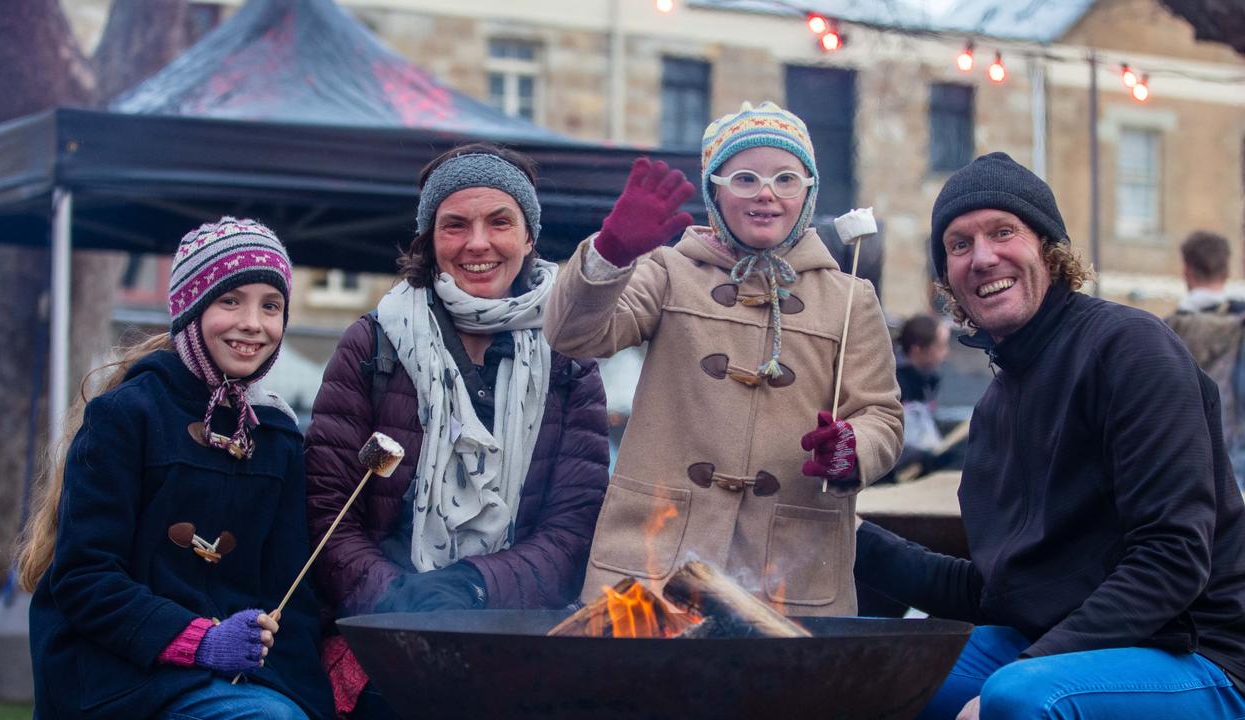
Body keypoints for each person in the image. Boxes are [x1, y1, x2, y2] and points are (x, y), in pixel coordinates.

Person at [854, 152, 1245, 719]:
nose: (982, 257)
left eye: (1003, 232)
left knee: (1020, 698)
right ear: (948, 280)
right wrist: (851, 535)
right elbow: (999, 593)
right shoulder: (994, 408)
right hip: (1054, 642)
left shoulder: (1131, 349)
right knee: (875, 675)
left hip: (1192, 651)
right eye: (959, 245)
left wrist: (1009, 682)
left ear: (1049, 249)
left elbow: (1172, 561)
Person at [545, 101, 903, 616]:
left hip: (790, 572)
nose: (766, 193)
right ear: (715, 189)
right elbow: (573, 334)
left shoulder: (850, 298)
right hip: (656, 562)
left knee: (776, 700)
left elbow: (882, 417)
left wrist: (854, 448)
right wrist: (611, 253)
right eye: (744, 178)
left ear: (808, 191)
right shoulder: (667, 271)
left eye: (785, 178)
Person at [305, 142, 609, 717]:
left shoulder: (570, 354)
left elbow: (575, 526)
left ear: (527, 236)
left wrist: (474, 586)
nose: (477, 243)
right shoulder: (373, 345)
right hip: (385, 638)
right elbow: (327, 513)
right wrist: (396, 597)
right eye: (455, 225)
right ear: (429, 240)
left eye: (500, 222)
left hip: (522, 640)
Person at [19, 218, 334, 719]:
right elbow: (84, 577)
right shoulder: (125, 416)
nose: (253, 322)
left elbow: (289, 594)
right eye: (230, 300)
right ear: (190, 307)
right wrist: (200, 641)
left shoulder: (275, 437)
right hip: (119, 675)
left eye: (271, 306)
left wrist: (311, 701)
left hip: (237, 679)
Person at [1166, 230, 1245, 489]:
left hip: (1185, 459)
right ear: (1226, 271)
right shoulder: (1240, 325)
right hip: (1237, 458)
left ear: (1186, 271)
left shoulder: (1165, 331)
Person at [891, 314, 953, 480]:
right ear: (918, 350)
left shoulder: (927, 381)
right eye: (940, 347)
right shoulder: (893, 385)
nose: (945, 354)